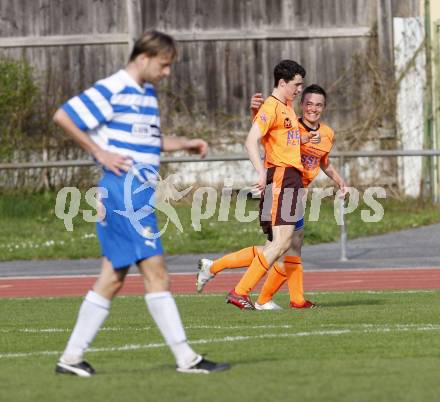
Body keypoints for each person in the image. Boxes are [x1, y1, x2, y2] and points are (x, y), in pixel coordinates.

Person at [53, 30, 229, 376]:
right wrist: (99, 152)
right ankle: (187, 359)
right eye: (164, 66)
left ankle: (70, 359)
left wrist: (185, 144)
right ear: (143, 58)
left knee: (113, 277)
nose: (167, 73)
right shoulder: (114, 87)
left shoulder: (146, 94)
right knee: (156, 272)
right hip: (123, 193)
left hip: (135, 193)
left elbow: (150, 140)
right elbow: (64, 115)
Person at [196, 84, 346, 310]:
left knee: (289, 246)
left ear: (324, 108)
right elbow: (263, 131)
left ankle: (293, 299)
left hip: (295, 194)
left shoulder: (327, 134)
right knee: (279, 246)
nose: (313, 109)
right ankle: (241, 286)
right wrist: (254, 111)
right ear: (302, 105)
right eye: (309, 104)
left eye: (319, 105)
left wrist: (340, 180)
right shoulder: (290, 125)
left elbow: (323, 161)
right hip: (279, 188)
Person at [210, 59, 307, 310]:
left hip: (289, 178)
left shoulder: (285, 107)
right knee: (281, 242)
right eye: (296, 85)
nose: (299, 90)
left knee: (282, 242)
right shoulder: (273, 106)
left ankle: (241, 289)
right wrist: (261, 172)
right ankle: (240, 291)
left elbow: (274, 138)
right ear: (282, 83)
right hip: (283, 177)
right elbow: (250, 141)